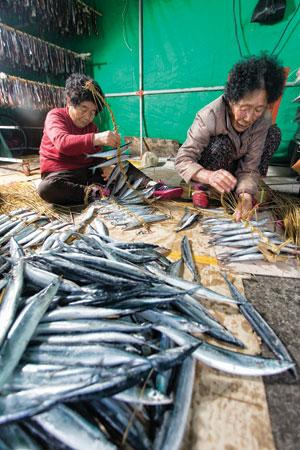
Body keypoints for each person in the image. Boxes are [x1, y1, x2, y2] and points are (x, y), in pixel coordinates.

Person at [175, 55, 286, 220]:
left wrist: (246, 195)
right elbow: (182, 160)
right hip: (213, 170)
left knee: (274, 134)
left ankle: (247, 188)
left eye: (258, 109)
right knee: (220, 145)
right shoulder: (209, 115)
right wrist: (208, 176)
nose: (249, 117)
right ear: (231, 100)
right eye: (245, 108)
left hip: (236, 167)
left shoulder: (263, 118)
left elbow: (250, 166)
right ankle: (205, 188)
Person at [38, 73, 125, 205]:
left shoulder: (92, 127)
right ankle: (93, 194)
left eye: (93, 112)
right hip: (60, 175)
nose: (88, 116)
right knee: (47, 188)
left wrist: (105, 166)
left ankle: (151, 186)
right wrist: (96, 138)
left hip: (86, 172)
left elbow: (96, 155)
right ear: (69, 101)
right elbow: (63, 143)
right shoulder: (55, 116)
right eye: (83, 108)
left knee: (121, 167)